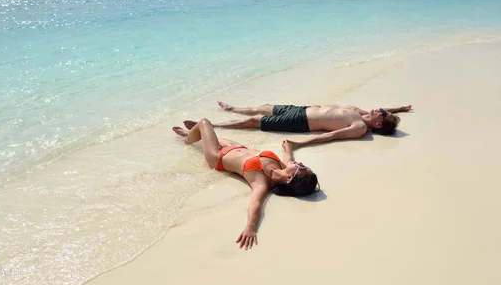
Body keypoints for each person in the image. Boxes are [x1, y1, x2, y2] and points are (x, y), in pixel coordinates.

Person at [172, 118, 319, 250]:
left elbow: (255, 203)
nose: (300, 163)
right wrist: (289, 148)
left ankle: (186, 140)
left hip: (218, 156)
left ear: (289, 178)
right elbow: (289, 158)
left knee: (204, 123)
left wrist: (250, 227)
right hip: (235, 147)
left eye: (301, 167)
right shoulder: (283, 166)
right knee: (206, 134)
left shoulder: (263, 183)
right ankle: (191, 135)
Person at [183, 102, 412, 149]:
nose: (378, 108)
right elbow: (384, 108)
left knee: (254, 122)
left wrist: (300, 144)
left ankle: (214, 126)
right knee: (265, 106)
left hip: (300, 122)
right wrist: (399, 108)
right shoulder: (361, 112)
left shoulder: (360, 127)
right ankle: (233, 109)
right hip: (301, 109)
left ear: (380, 122)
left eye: (382, 112)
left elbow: (331, 137)